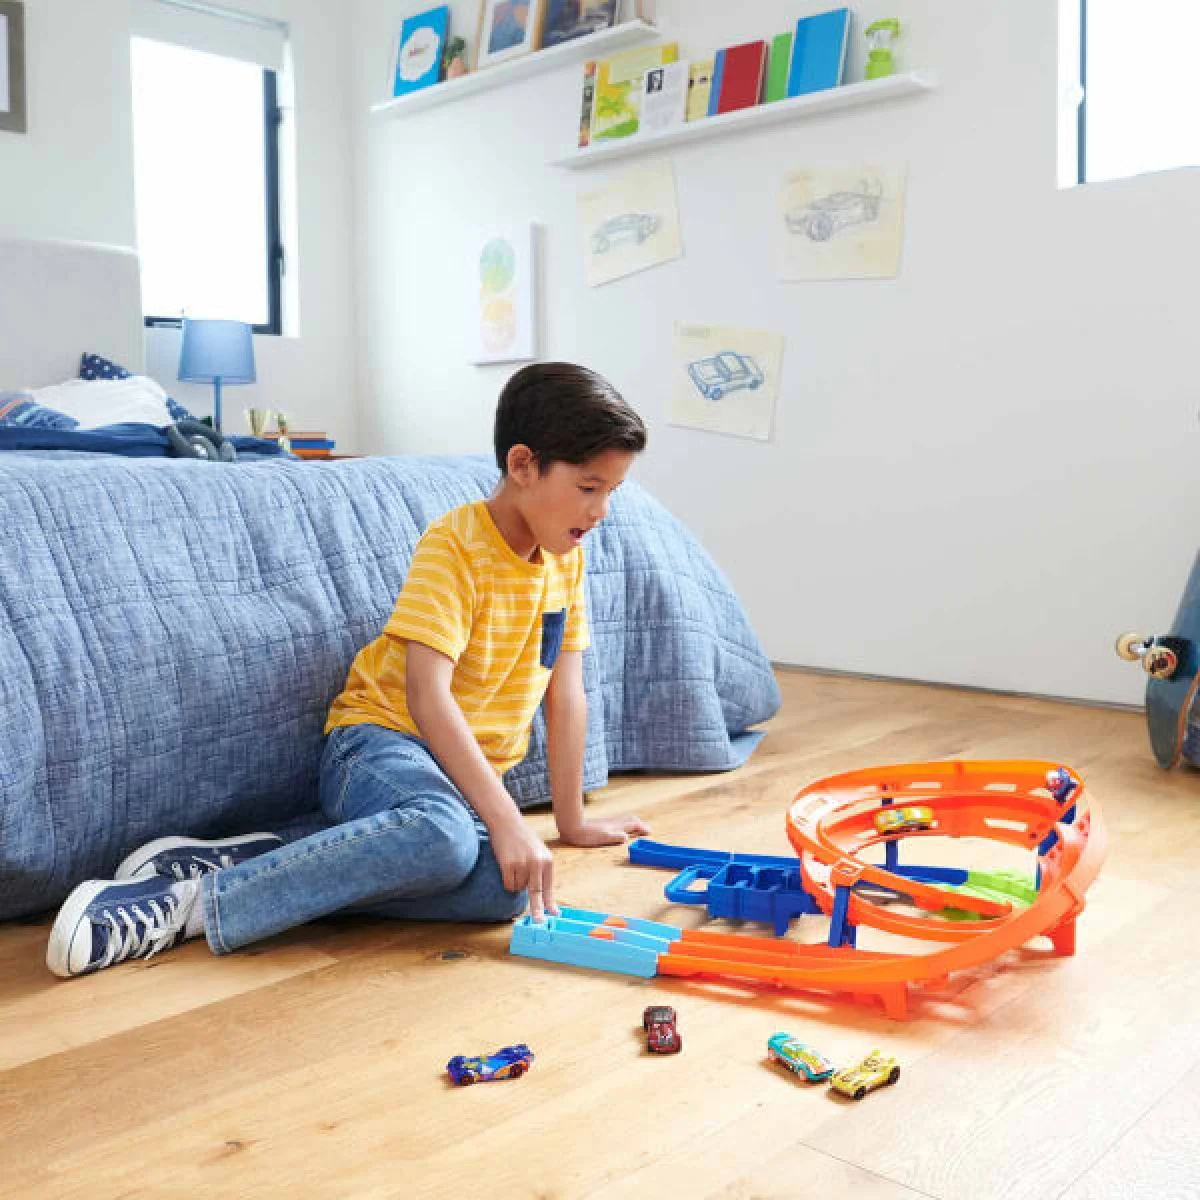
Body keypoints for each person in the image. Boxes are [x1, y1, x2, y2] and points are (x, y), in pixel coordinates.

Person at [47, 363, 650, 978]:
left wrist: (571, 821)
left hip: (455, 786)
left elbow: (566, 694)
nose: (601, 510)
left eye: (612, 491)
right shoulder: (457, 545)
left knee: (508, 889)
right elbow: (426, 696)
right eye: (589, 486)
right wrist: (504, 817)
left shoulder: (566, 561)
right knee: (445, 838)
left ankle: (273, 857)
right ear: (523, 465)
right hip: (382, 744)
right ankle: (190, 904)